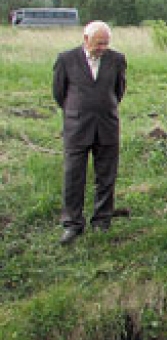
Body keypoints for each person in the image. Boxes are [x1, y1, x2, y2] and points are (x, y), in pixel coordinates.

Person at [52, 20, 128, 245]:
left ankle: (102, 221)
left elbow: (118, 91)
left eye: (106, 43)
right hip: (77, 127)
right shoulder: (66, 60)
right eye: (98, 44)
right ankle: (72, 224)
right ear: (86, 39)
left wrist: (103, 107)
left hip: (107, 125)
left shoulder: (117, 60)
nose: (102, 48)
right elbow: (59, 93)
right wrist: (78, 111)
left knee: (106, 175)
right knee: (73, 176)